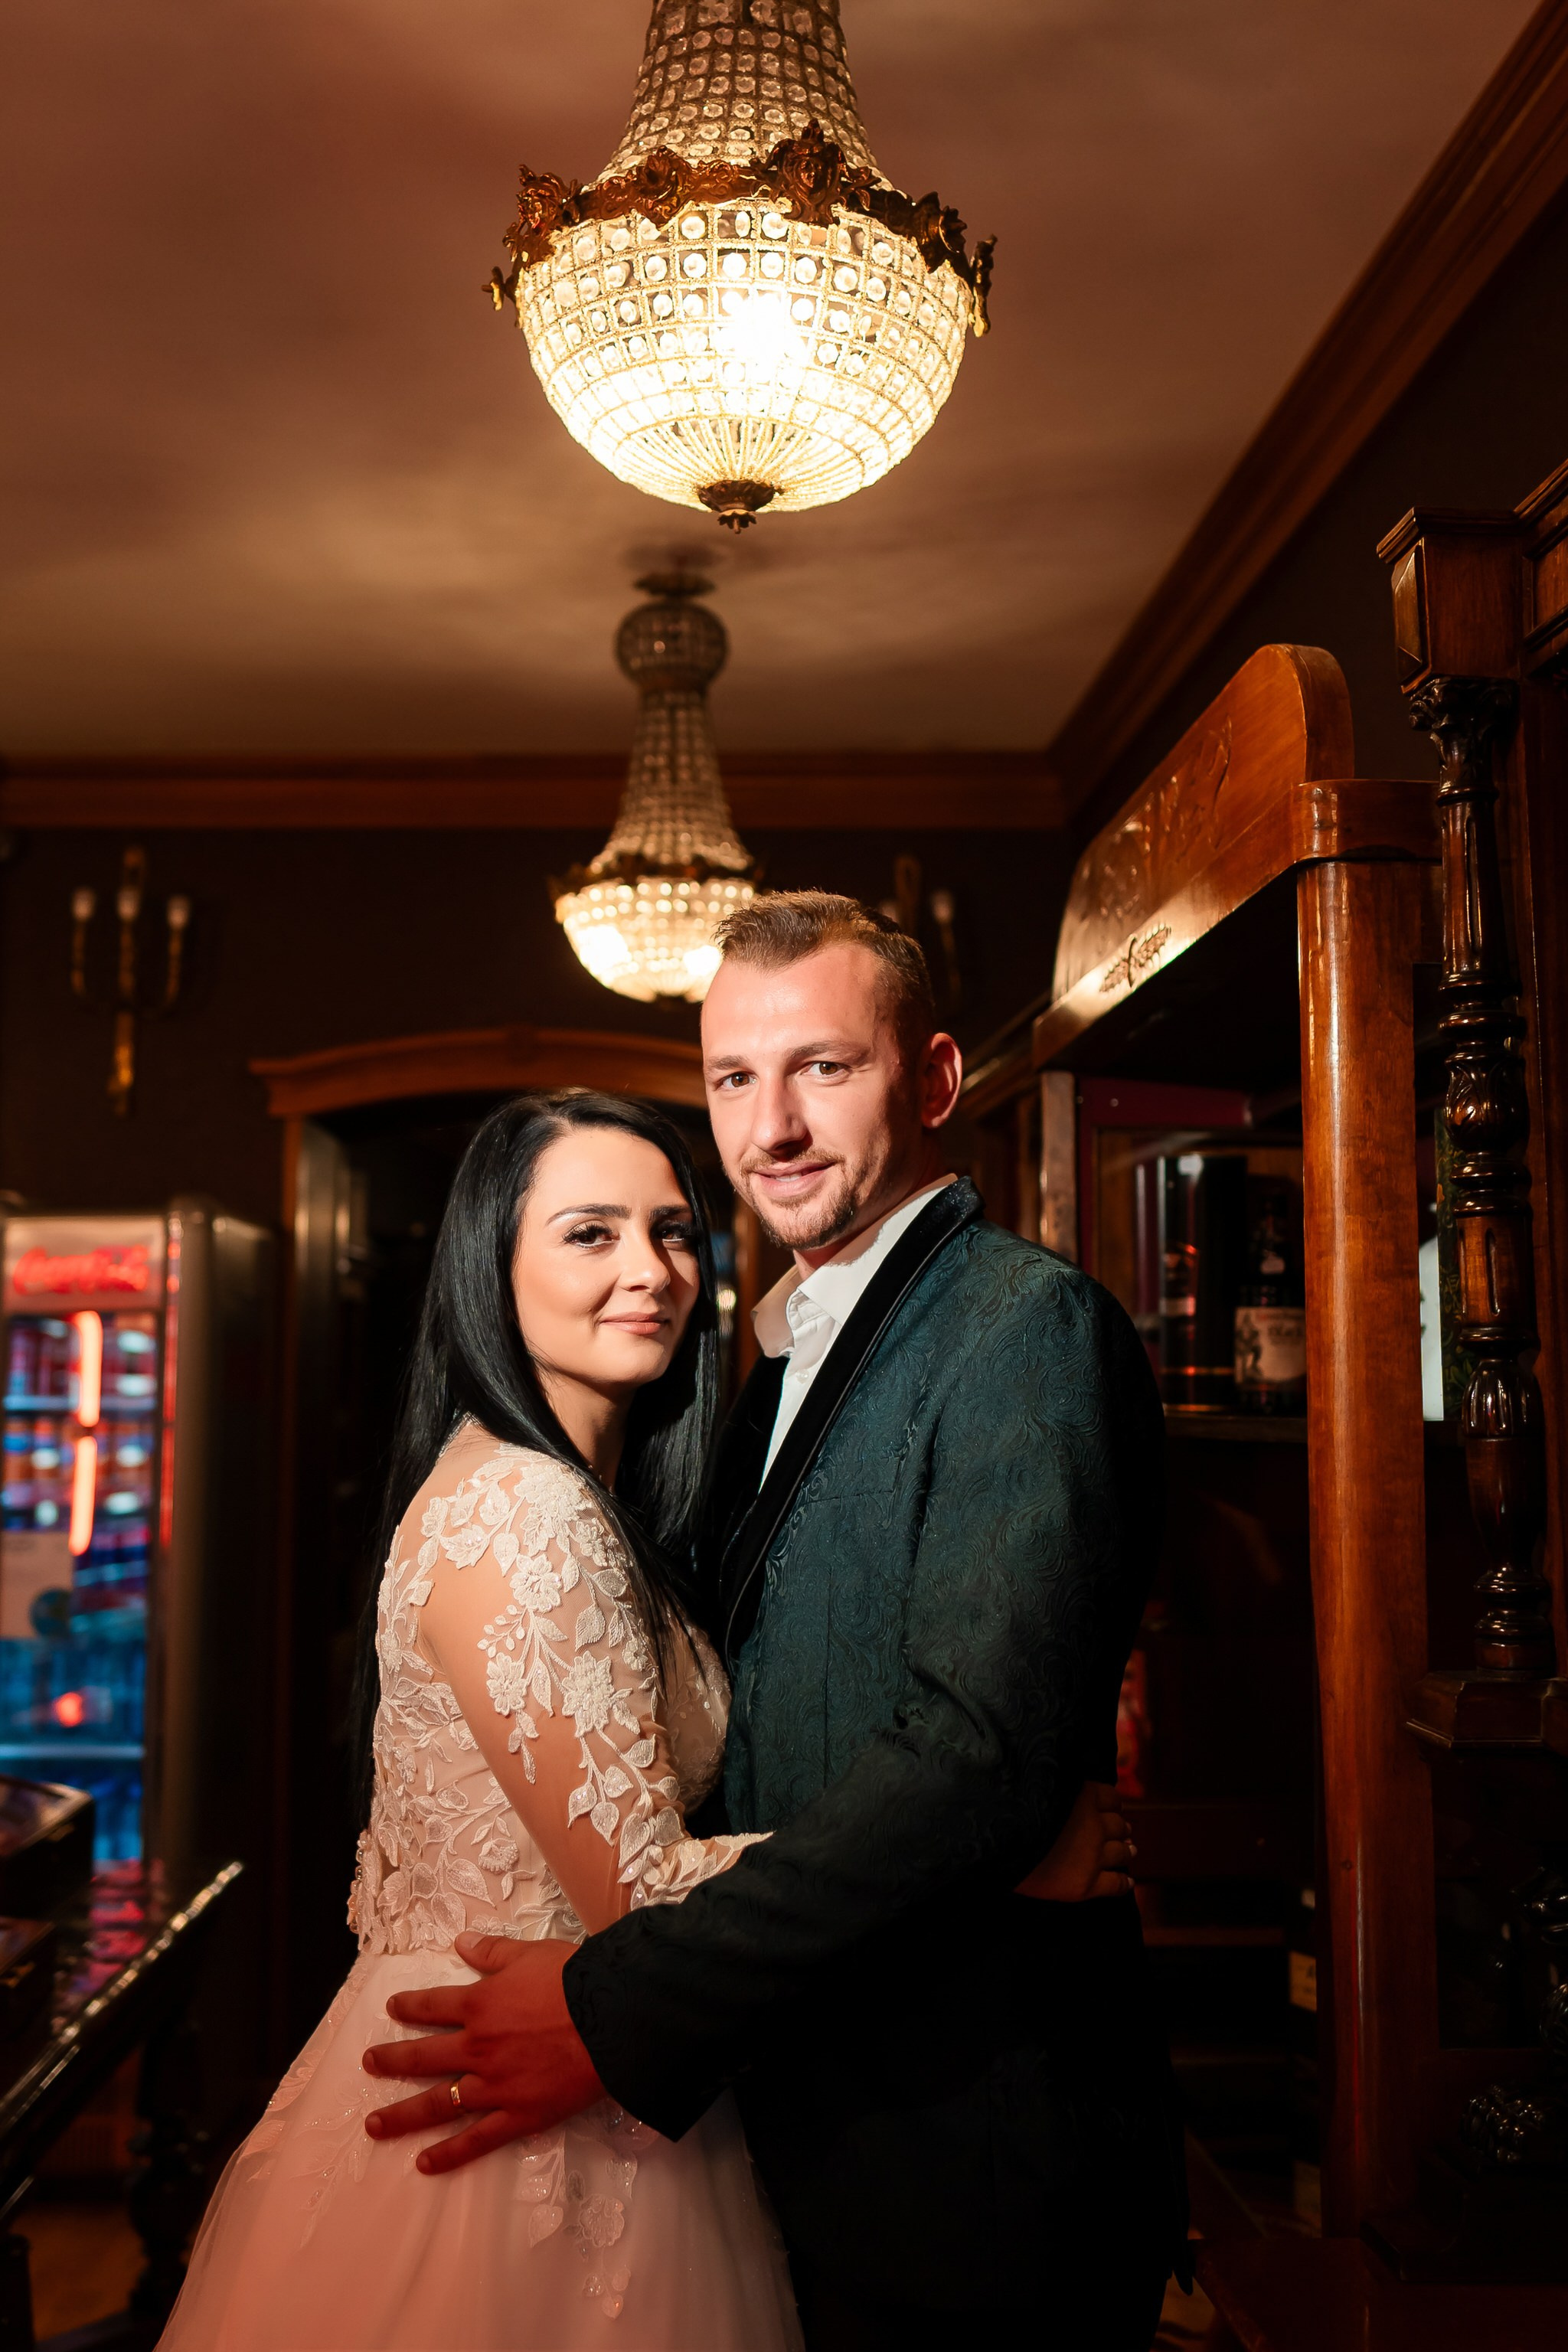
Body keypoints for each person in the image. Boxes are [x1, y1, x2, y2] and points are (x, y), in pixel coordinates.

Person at [158, 1082, 1130, 2352]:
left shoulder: (571, 1496)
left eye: (674, 1233)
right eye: (590, 1234)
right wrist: (989, 1859)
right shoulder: (525, 1514)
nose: (651, 1272)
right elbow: (641, 1893)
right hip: (517, 2099)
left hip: (589, 2061)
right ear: (491, 1268)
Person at [364, 895, 1187, 2352]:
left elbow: (976, 1756)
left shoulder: (1021, 1328)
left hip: (970, 2166)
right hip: (802, 2128)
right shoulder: (761, 1374)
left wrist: (618, 2007)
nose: (775, 1126)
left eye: (826, 1067)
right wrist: (1006, 1851)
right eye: (735, 1078)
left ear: (933, 1080)